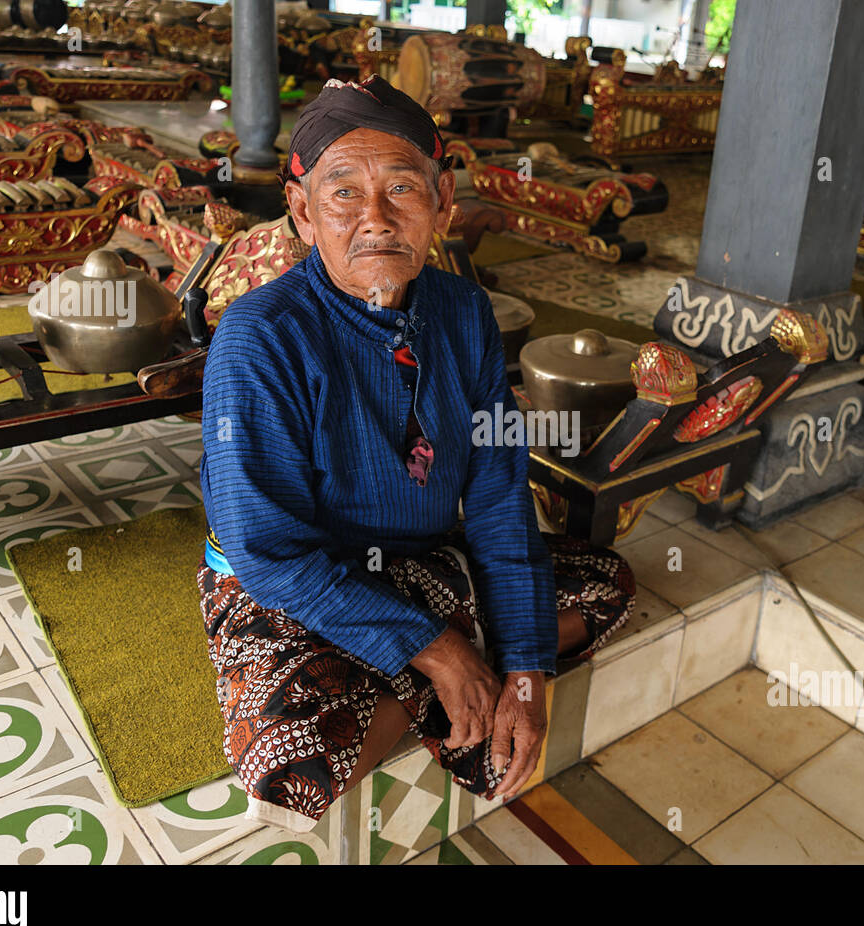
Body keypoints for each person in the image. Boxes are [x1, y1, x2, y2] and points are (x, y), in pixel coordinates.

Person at [196, 75, 636, 832]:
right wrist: (438, 653)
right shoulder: (257, 335)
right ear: (302, 211)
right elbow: (268, 552)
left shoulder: (464, 312)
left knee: (608, 586)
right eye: (343, 193)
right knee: (286, 765)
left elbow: (499, 500)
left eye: (402, 188)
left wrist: (527, 672)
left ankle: (447, 669)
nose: (375, 219)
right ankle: (436, 678)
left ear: (444, 202)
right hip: (300, 585)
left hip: (429, 562)